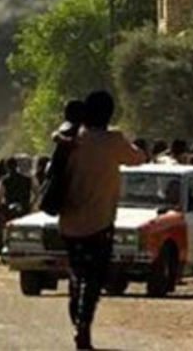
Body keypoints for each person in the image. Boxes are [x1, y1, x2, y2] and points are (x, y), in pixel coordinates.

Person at [61, 91, 145, 350]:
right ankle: (83, 325)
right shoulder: (113, 141)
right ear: (109, 114)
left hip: (69, 223)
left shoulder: (72, 139)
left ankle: (77, 312)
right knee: (94, 278)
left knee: (77, 272)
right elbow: (137, 159)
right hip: (100, 224)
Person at [0, 157, 32, 222]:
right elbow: (37, 193)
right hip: (24, 208)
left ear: (7, 167)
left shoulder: (4, 180)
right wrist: (31, 204)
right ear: (16, 166)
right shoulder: (27, 179)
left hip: (10, 209)